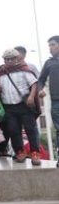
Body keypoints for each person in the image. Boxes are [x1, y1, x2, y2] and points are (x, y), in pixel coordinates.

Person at [0, 49, 41, 165]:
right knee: (13, 130)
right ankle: (20, 152)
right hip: (9, 107)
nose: (9, 61)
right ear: (4, 60)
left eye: (11, 59)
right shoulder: (0, 73)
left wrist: (31, 96)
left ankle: (35, 153)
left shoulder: (24, 70)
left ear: (16, 59)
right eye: (7, 59)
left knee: (30, 130)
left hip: (24, 105)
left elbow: (34, 83)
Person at [38, 35, 59, 167]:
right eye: (49, 46)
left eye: (52, 45)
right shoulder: (49, 63)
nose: (50, 48)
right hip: (56, 102)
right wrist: (40, 90)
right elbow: (40, 80)